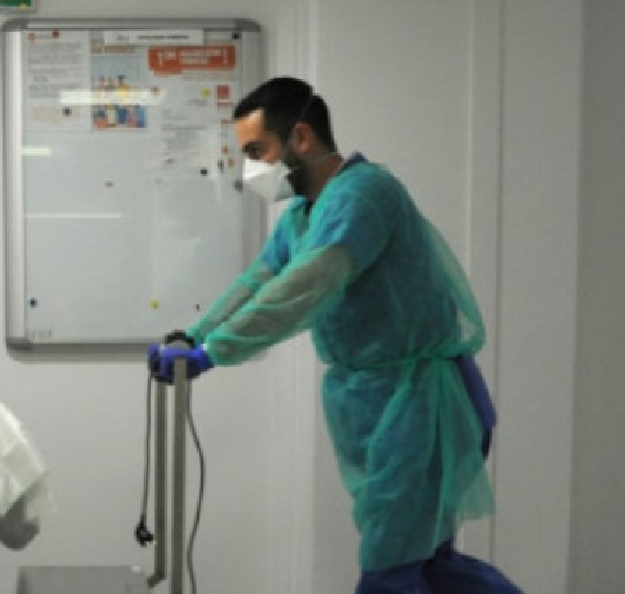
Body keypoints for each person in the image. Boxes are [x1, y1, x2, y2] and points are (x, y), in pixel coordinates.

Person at [148, 77, 523, 594]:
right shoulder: (303, 215)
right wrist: (194, 336)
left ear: (301, 138)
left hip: (422, 399)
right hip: (380, 400)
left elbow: (306, 285)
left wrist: (217, 351)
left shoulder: (365, 194)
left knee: (390, 569)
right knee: (428, 563)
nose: (250, 168)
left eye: (257, 151)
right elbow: (260, 280)